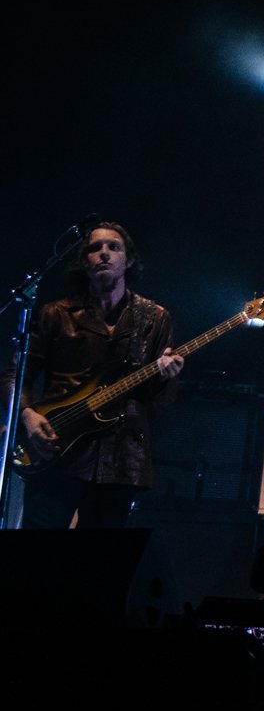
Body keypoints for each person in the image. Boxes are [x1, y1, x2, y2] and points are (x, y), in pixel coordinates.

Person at [13, 222, 184, 530]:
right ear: (84, 262)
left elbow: (162, 402)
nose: (104, 253)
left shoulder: (155, 317)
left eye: (113, 247)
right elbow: (15, 372)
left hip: (121, 461)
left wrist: (165, 376)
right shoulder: (55, 314)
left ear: (129, 260)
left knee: (99, 557)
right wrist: (26, 414)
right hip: (57, 450)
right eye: (95, 248)